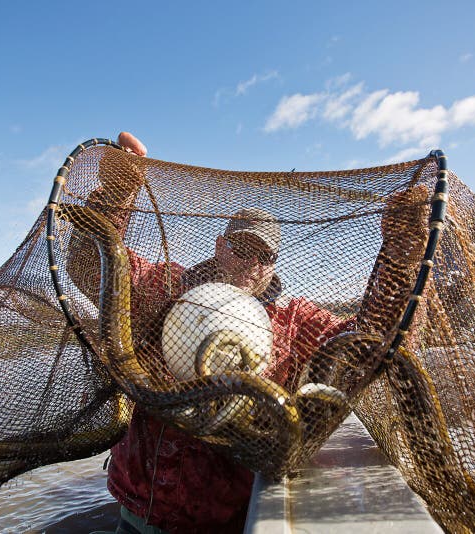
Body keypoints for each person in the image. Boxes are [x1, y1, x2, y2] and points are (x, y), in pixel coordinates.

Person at [101, 132, 354, 533]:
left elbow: (367, 344)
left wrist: (401, 257)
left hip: (224, 520)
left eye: (265, 255)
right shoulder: (167, 287)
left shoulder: (294, 320)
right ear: (220, 246)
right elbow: (94, 265)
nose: (252, 263)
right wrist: (117, 193)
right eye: (242, 248)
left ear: (273, 264)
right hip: (139, 510)